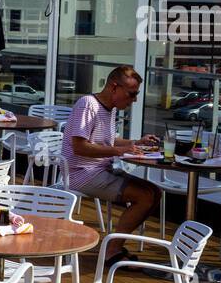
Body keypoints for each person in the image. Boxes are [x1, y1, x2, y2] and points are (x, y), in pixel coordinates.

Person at [63, 65, 162, 265]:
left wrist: (136, 143)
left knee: (155, 192)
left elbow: (109, 140)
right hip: (81, 174)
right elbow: (79, 147)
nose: (134, 99)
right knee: (144, 196)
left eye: (136, 94)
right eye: (132, 94)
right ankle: (112, 250)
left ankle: (113, 246)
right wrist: (120, 151)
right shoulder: (88, 105)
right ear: (114, 87)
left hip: (101, 170)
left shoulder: (110, 108)